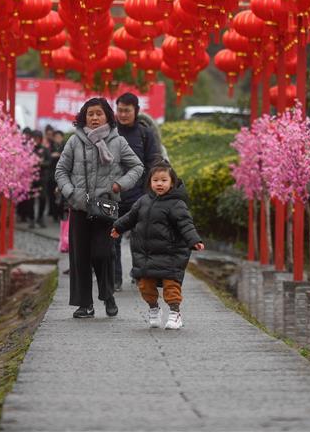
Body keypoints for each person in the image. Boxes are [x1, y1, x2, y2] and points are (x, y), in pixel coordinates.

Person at [55, 98, 144, 318]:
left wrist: (119, 185)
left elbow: (137, 167)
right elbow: (60, 170)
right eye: (90, 114)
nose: (94, 118)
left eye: (99, 114)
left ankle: (108, 295)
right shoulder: (75, 141)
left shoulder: (118, 141)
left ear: (107, 116)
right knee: (80, 258)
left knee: (103, 254)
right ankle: (85, 305)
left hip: (105, 207)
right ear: (84, 117)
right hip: (79, 208)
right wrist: (71, 192)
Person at [111, 161, 204, 330]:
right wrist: (118, 227)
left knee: (171, 286)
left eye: (164, 180)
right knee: (145, 286)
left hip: (171, 254)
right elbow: (130, 217)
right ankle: (154, 308)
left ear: (172, 183)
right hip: (146, 254)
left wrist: (194, 240)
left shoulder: (177, 204)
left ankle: (175, 313)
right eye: (155, 180)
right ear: (150, 182)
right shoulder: (142, 201)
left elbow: (186, 224)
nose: (159, 184)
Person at [113, 92, 161, 290]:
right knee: (112, 238)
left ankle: (138, 274)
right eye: (120, 110)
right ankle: (115, 279)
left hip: (138, 196)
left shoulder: (145, 133)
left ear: (136, 111)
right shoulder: (109, 132)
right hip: (113, 196)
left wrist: (149, 192)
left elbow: (154, 162)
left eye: (127, 111)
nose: (123, 114)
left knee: (139, 239)